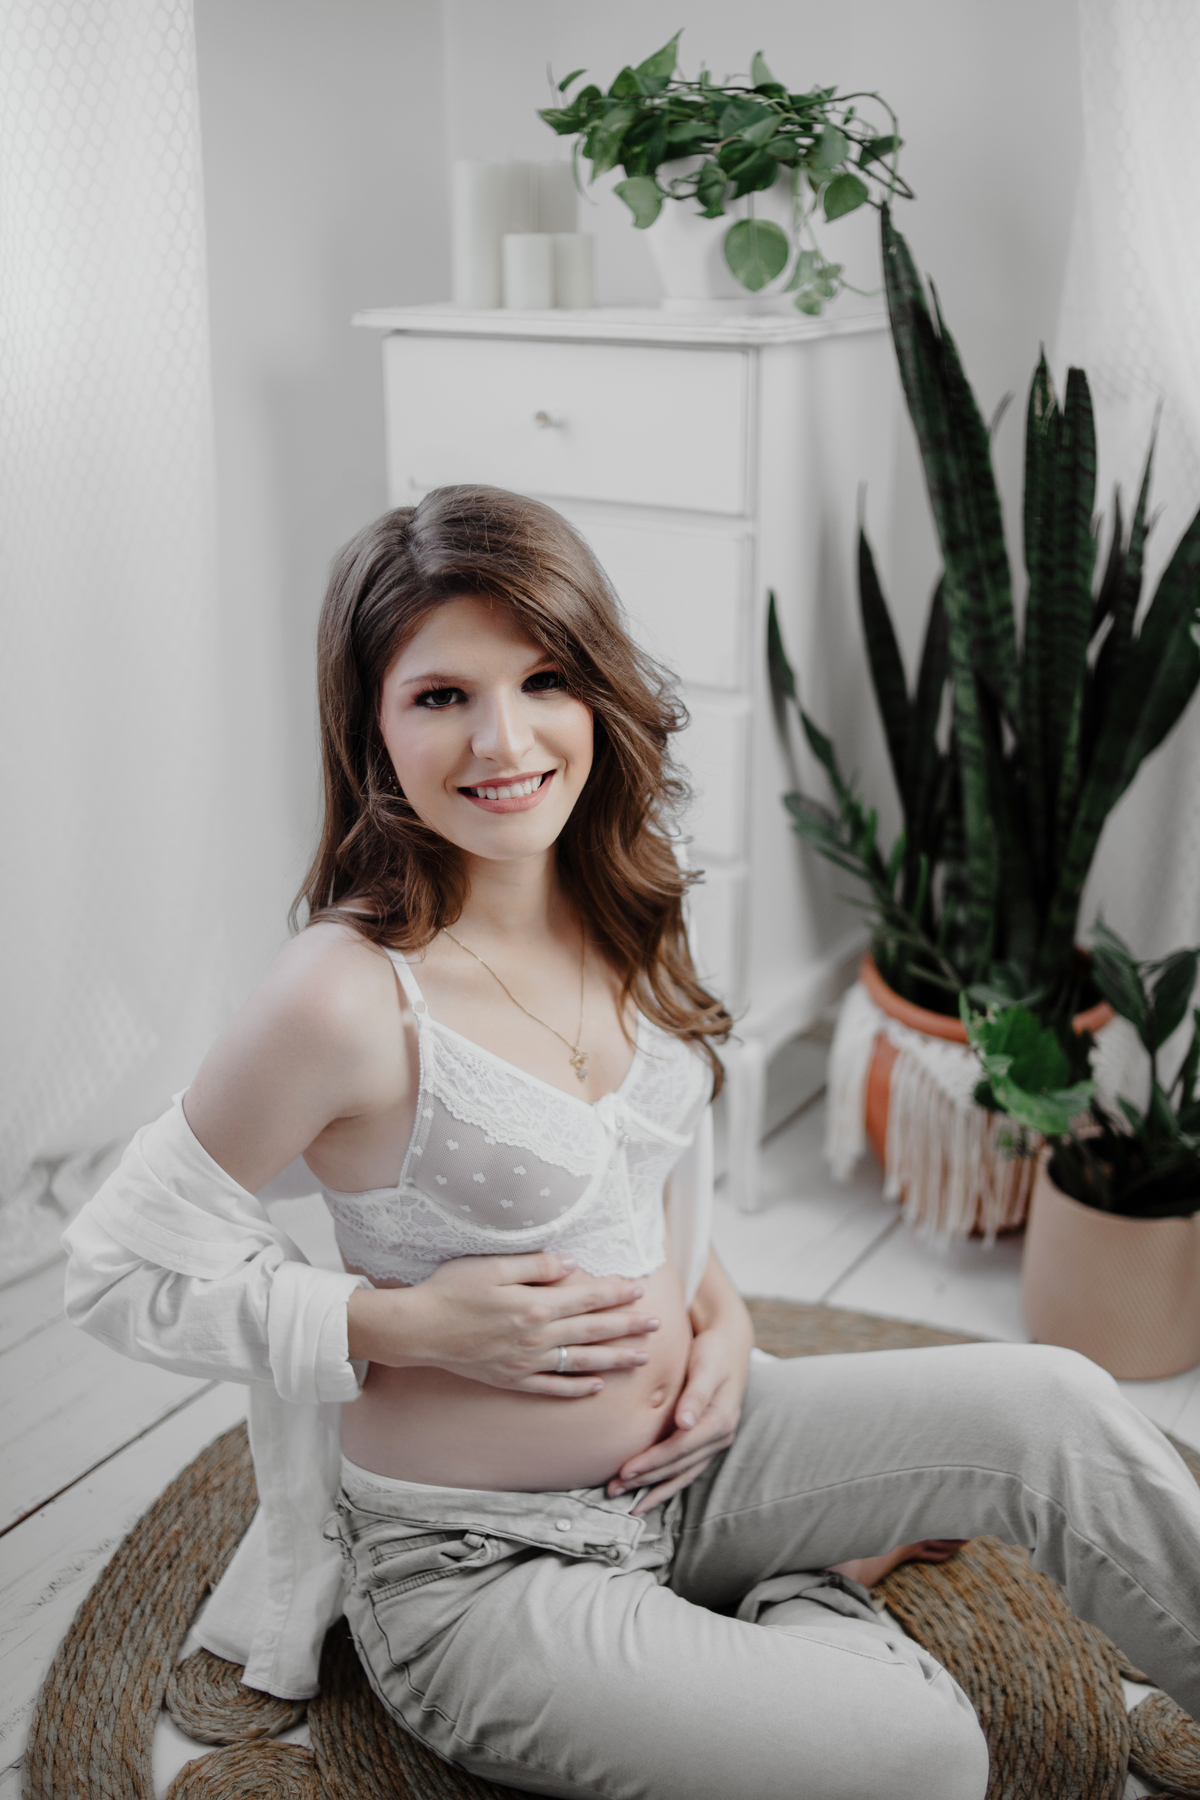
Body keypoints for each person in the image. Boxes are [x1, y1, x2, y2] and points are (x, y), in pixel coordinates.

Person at [64, 486, 1200, 1800]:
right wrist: (405, 1326)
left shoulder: (625, 898)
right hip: (483, 1572)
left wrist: (716, 1314)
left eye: (545, 679)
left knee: (1055, 1409)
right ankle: (809, 1586)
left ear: (597, 690)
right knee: (930, 1758)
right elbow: (116, 1270)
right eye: (441, 695)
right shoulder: (342, 997)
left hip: (700, 1461)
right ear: (370, 726)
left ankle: (776, 1578)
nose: (504, 739)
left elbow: (636, 1176)